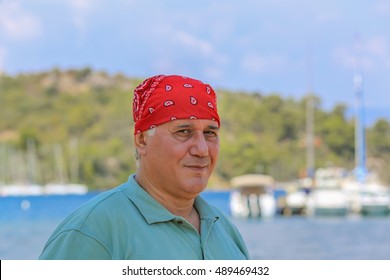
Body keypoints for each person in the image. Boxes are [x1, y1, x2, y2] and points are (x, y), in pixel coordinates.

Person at [39, 74, 249, 260]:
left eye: (210, 133)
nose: (202, 149)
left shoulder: (223, 228)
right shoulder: (93, 231)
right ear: (142, 141)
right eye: (184, 131)